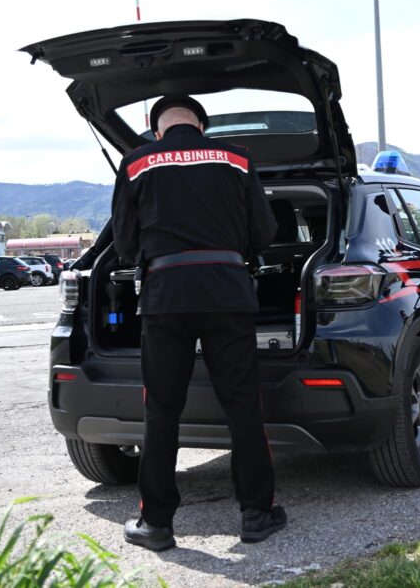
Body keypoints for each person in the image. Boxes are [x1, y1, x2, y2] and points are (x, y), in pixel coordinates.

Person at [111, 94, 284, 550]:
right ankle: (256, 515)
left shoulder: (135, 163)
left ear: (155, 126)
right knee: (243, 405)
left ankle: (157, 525)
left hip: (166, 299)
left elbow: (125, 244)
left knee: (161, 410)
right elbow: (265, 232)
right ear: (202, 126)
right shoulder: (237, 159)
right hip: (228, 293)